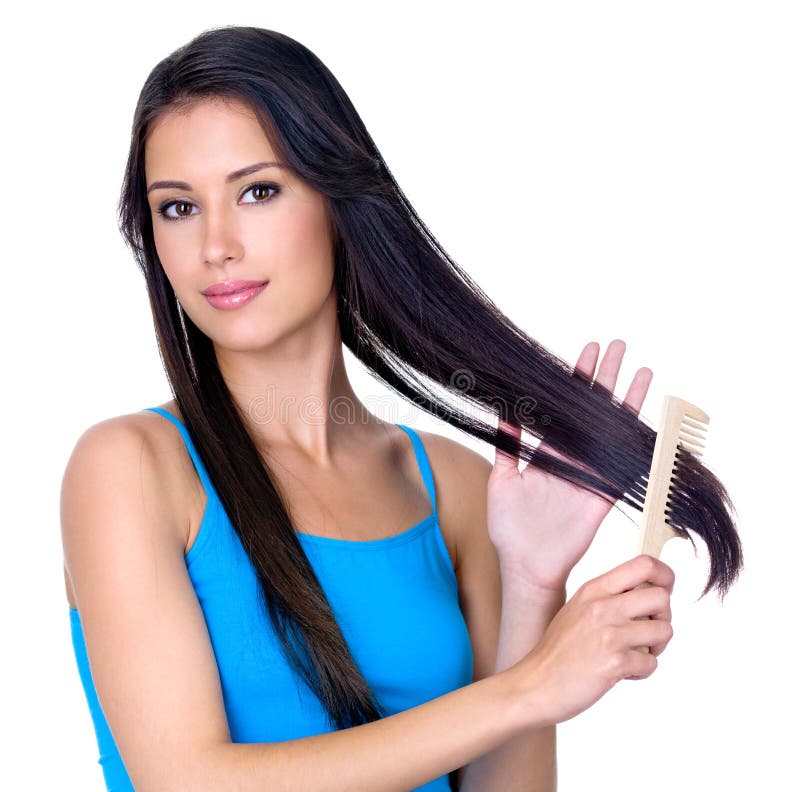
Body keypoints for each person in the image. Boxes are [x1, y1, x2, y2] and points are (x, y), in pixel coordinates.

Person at [61, 26, 675, 792]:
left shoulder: (452, 489)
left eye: (257, 191)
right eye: (178, 207)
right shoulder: (130, 468)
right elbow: (186, 780)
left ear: (338, 201)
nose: (215, 244)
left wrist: (531, 586)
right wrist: (531, 685)